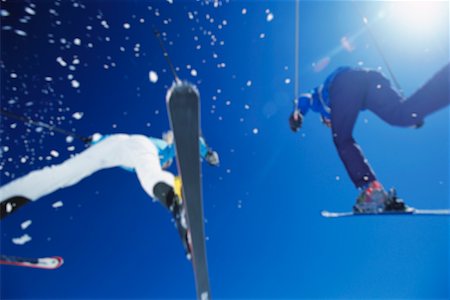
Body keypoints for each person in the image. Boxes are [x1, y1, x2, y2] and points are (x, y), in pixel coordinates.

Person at [0, 131, 220, 257]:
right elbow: (188, 137)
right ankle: (175, 200)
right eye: (167, 163)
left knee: (64, 173)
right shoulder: (162, 149)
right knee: (150, 175)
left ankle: (6, 197)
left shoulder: (138, 155)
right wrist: (207, 153)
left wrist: (94, 140)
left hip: (113, 145)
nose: (166, 164)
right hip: (136, 146)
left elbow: (107, 141)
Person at [289, 63, 449, 213]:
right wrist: (415, 115)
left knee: (341, 138)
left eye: (328, 123)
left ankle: (372, 191)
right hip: (370, 79)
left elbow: (306, 97)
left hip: (343, 83)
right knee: (403, 115)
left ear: (324, 118)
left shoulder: (322, 104)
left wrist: (299, 112)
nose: (331, 124)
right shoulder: (345, 104)